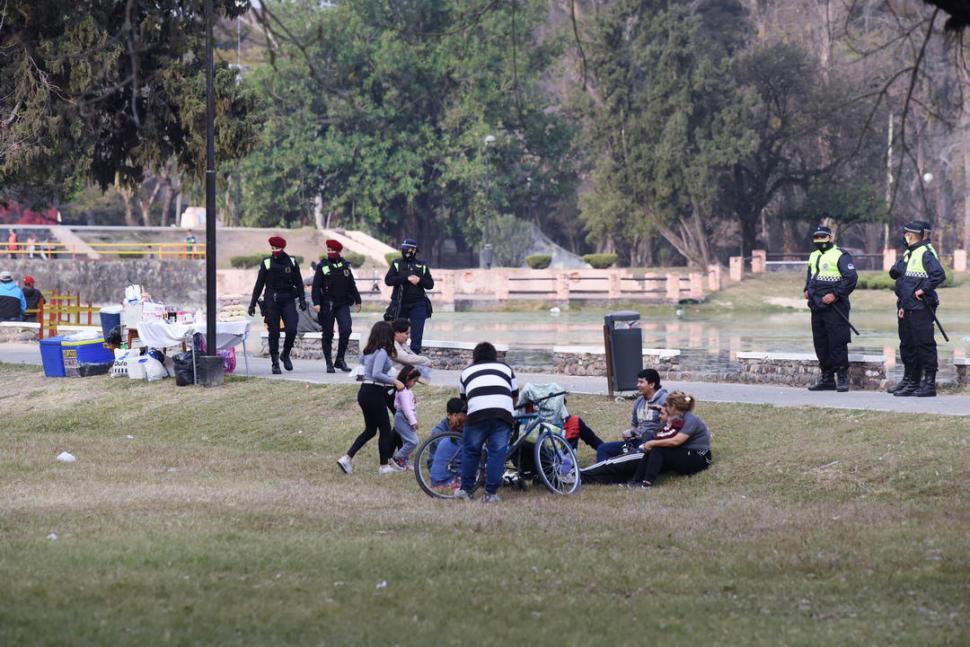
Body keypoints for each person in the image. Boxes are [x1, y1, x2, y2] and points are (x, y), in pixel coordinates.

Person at [337, 322, 405, 475]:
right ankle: (383, 466)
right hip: (374, 391)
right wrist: (395, 381)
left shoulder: (368, 351)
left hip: (364, 392)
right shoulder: (381, 352)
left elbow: (363, 367)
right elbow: (376, 373)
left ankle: (347, 458)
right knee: (386, 430)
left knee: (370, 430)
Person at [455, 342, 518, 503]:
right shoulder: (506, 369)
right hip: (502, 415)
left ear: (474, 356)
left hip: (476, 415)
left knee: (471, 452)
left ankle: (466, 490)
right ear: (494, 355)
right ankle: (490, 494)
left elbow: (465, 399)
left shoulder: (466, 372)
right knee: (497, 453)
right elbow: (514, 396)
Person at [889, 220, 947, 397]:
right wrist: (903, 304)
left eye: (906, 234)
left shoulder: (925, 253)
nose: (904, 236)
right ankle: (911, 380)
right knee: (908, 345)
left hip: (921, 307)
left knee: (924, 345)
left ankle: (928, 384)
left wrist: (922, 290)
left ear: (911, 235)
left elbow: (939, 275)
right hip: (907, 306)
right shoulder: (910, 252)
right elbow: (896, 274)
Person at [803, 225, 858, 392]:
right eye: (817, 238)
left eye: (823, 237)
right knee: (821, 343)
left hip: (835, 307)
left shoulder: (841, 255)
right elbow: (811, 275)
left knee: (837, 342)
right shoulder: (813, 256)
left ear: (830, 237)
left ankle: (842, 377)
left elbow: (851, 278)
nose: (820, 241)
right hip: (817, 306)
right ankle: (827, 378)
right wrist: (806, 289)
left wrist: (835, 294)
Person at [626, 392, 712, 489]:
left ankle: (646, 484)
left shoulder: (690, 419)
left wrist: (652, 443)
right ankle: (636, 480)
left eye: (667, 405)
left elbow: (676, 441)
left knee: (658, 449)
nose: (665, 408)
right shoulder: (679, 416)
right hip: (686, 452)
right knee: (655, 448)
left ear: (674, 407)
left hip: (700, 458)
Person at [247, 236, 307, 374]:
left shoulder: (291, 262)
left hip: (288, 299)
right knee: (273, 332)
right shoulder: (267, 262)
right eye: (272, 249)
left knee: (291, 329)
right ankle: (275, 362)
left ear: (283, 248)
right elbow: (259, 284)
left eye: (277, 249)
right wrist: (252, 303)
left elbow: (299, 282)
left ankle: (285, 354)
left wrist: (302, 300)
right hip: (271, 301)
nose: (274, 251)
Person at [595, 368, 668, 463]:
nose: (637, 385)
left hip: (652, 443)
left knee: (629, 458)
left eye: (641, 382)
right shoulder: (639, 401)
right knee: (603, 448)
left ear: (651, 385)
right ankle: (605, 471)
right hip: (636, 441)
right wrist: (630, 432)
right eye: (638, 382)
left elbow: (669, 428)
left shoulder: (665, 400)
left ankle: (615, 469)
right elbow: (635, 425)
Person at [312, 239, 361, 373]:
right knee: (327, 334)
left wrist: (358, 300)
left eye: (333, 251)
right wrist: (316, 303)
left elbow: (352, 285)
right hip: (327, 304)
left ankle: (340, 359)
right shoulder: (322, 266)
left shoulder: (345, 266)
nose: (330, 253)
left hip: (343, 303)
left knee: (346, 329)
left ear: (338, 252)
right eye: (328, 250)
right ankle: (329, 362)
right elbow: (316, 287)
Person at [384, 239, 434, 353]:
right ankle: (397, 355)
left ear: (414, 250)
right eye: (404, 249)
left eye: (408, 249)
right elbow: (388, 280)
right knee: (398, 332)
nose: (405, 251)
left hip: (418, 304)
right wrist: (405, 279)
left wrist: (420, 280)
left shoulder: (422, 265)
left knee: (417, 333)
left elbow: (430, 284)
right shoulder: (397, 263)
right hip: (400, 304)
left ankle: (414, 357)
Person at [428, 398, 468, 492]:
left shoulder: (461, 425)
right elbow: (449, 453)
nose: (460, 418)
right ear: (449, 415)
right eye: (456, 415)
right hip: (440, 464)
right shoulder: (438, 432)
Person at [391, 365, 422, 469]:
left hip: (405, 418)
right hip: (402, 418)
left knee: (406, 441)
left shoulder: (406, 391)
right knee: (413, 441)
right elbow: (406, 409)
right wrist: (413, 421)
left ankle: (405, 462)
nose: (415, 384)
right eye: (414, 381)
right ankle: (397, 458)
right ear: (407, 379)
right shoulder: (403, 392)